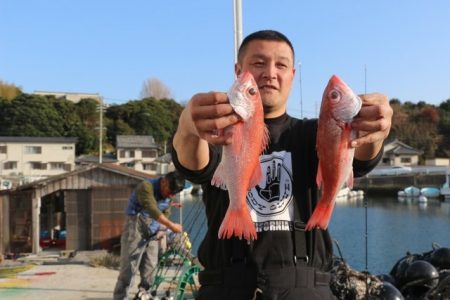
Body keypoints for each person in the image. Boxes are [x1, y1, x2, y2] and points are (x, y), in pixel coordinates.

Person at [171, 30, 393, 300]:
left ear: (292, 75)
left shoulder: (315, 133)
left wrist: (374, 129)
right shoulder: (218, 131)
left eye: (281, 65)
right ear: (238, 70)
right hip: (226, 286)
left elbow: (360, 159)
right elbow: (193, 166)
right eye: (259, 63)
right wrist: (187, 127)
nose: (270, 73)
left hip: (307, 288)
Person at [113, 171, 186, 300]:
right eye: (169, 191)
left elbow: (166, 212)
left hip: (153, 231)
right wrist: (172, 226)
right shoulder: (146, 187)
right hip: (135, 227)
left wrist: (161, 230)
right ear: (164, 181)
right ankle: (120, 297)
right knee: (129, 267)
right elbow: (152, 209)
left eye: (173, 194)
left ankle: (143, 295)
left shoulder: (169, 196)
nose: (170, 195)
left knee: (150, 267)